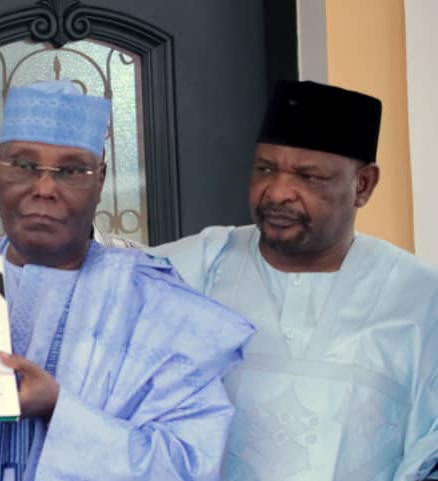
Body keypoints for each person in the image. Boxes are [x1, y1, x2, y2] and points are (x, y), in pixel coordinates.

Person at [0, 80, 255, 481]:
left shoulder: (156, 305)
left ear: (101, 178)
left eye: (71, 170)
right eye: (23, 165)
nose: (44, 189)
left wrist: (59, 408)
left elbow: (189, 465)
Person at [149, 80, 438, 481]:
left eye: (308, 177)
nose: (278, 192)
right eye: (265, 169)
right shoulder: (195, 268)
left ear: (363, 185)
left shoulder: (421, 299)